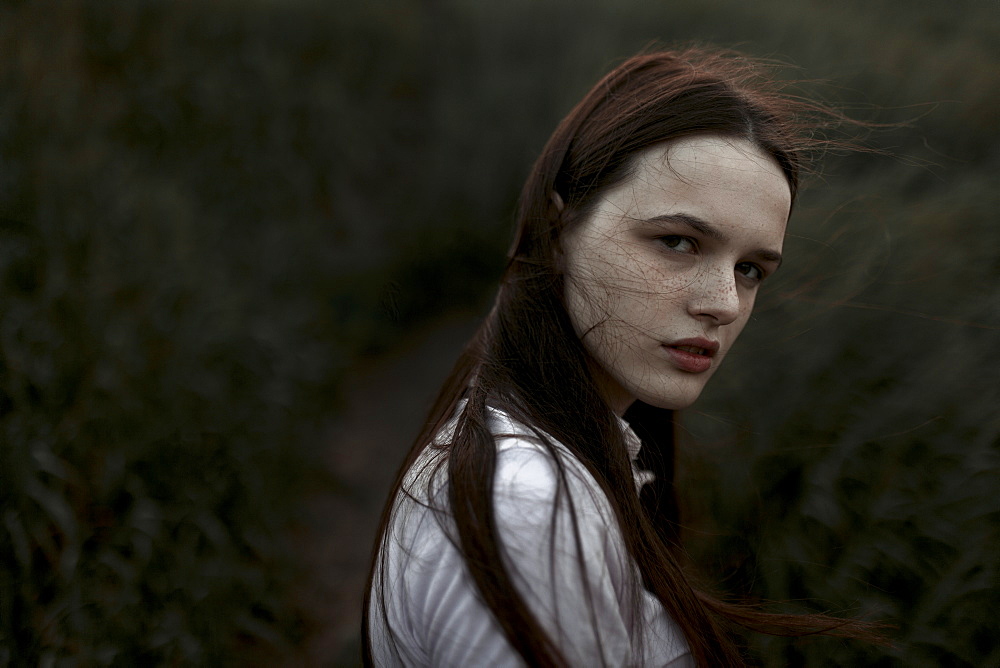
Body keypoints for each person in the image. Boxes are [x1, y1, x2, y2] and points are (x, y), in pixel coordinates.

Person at [363, 47, 880, 667]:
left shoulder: (555, 452)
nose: (723, 303)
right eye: (677, 242)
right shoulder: (527, 510)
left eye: (749, 269)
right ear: (558, 231)